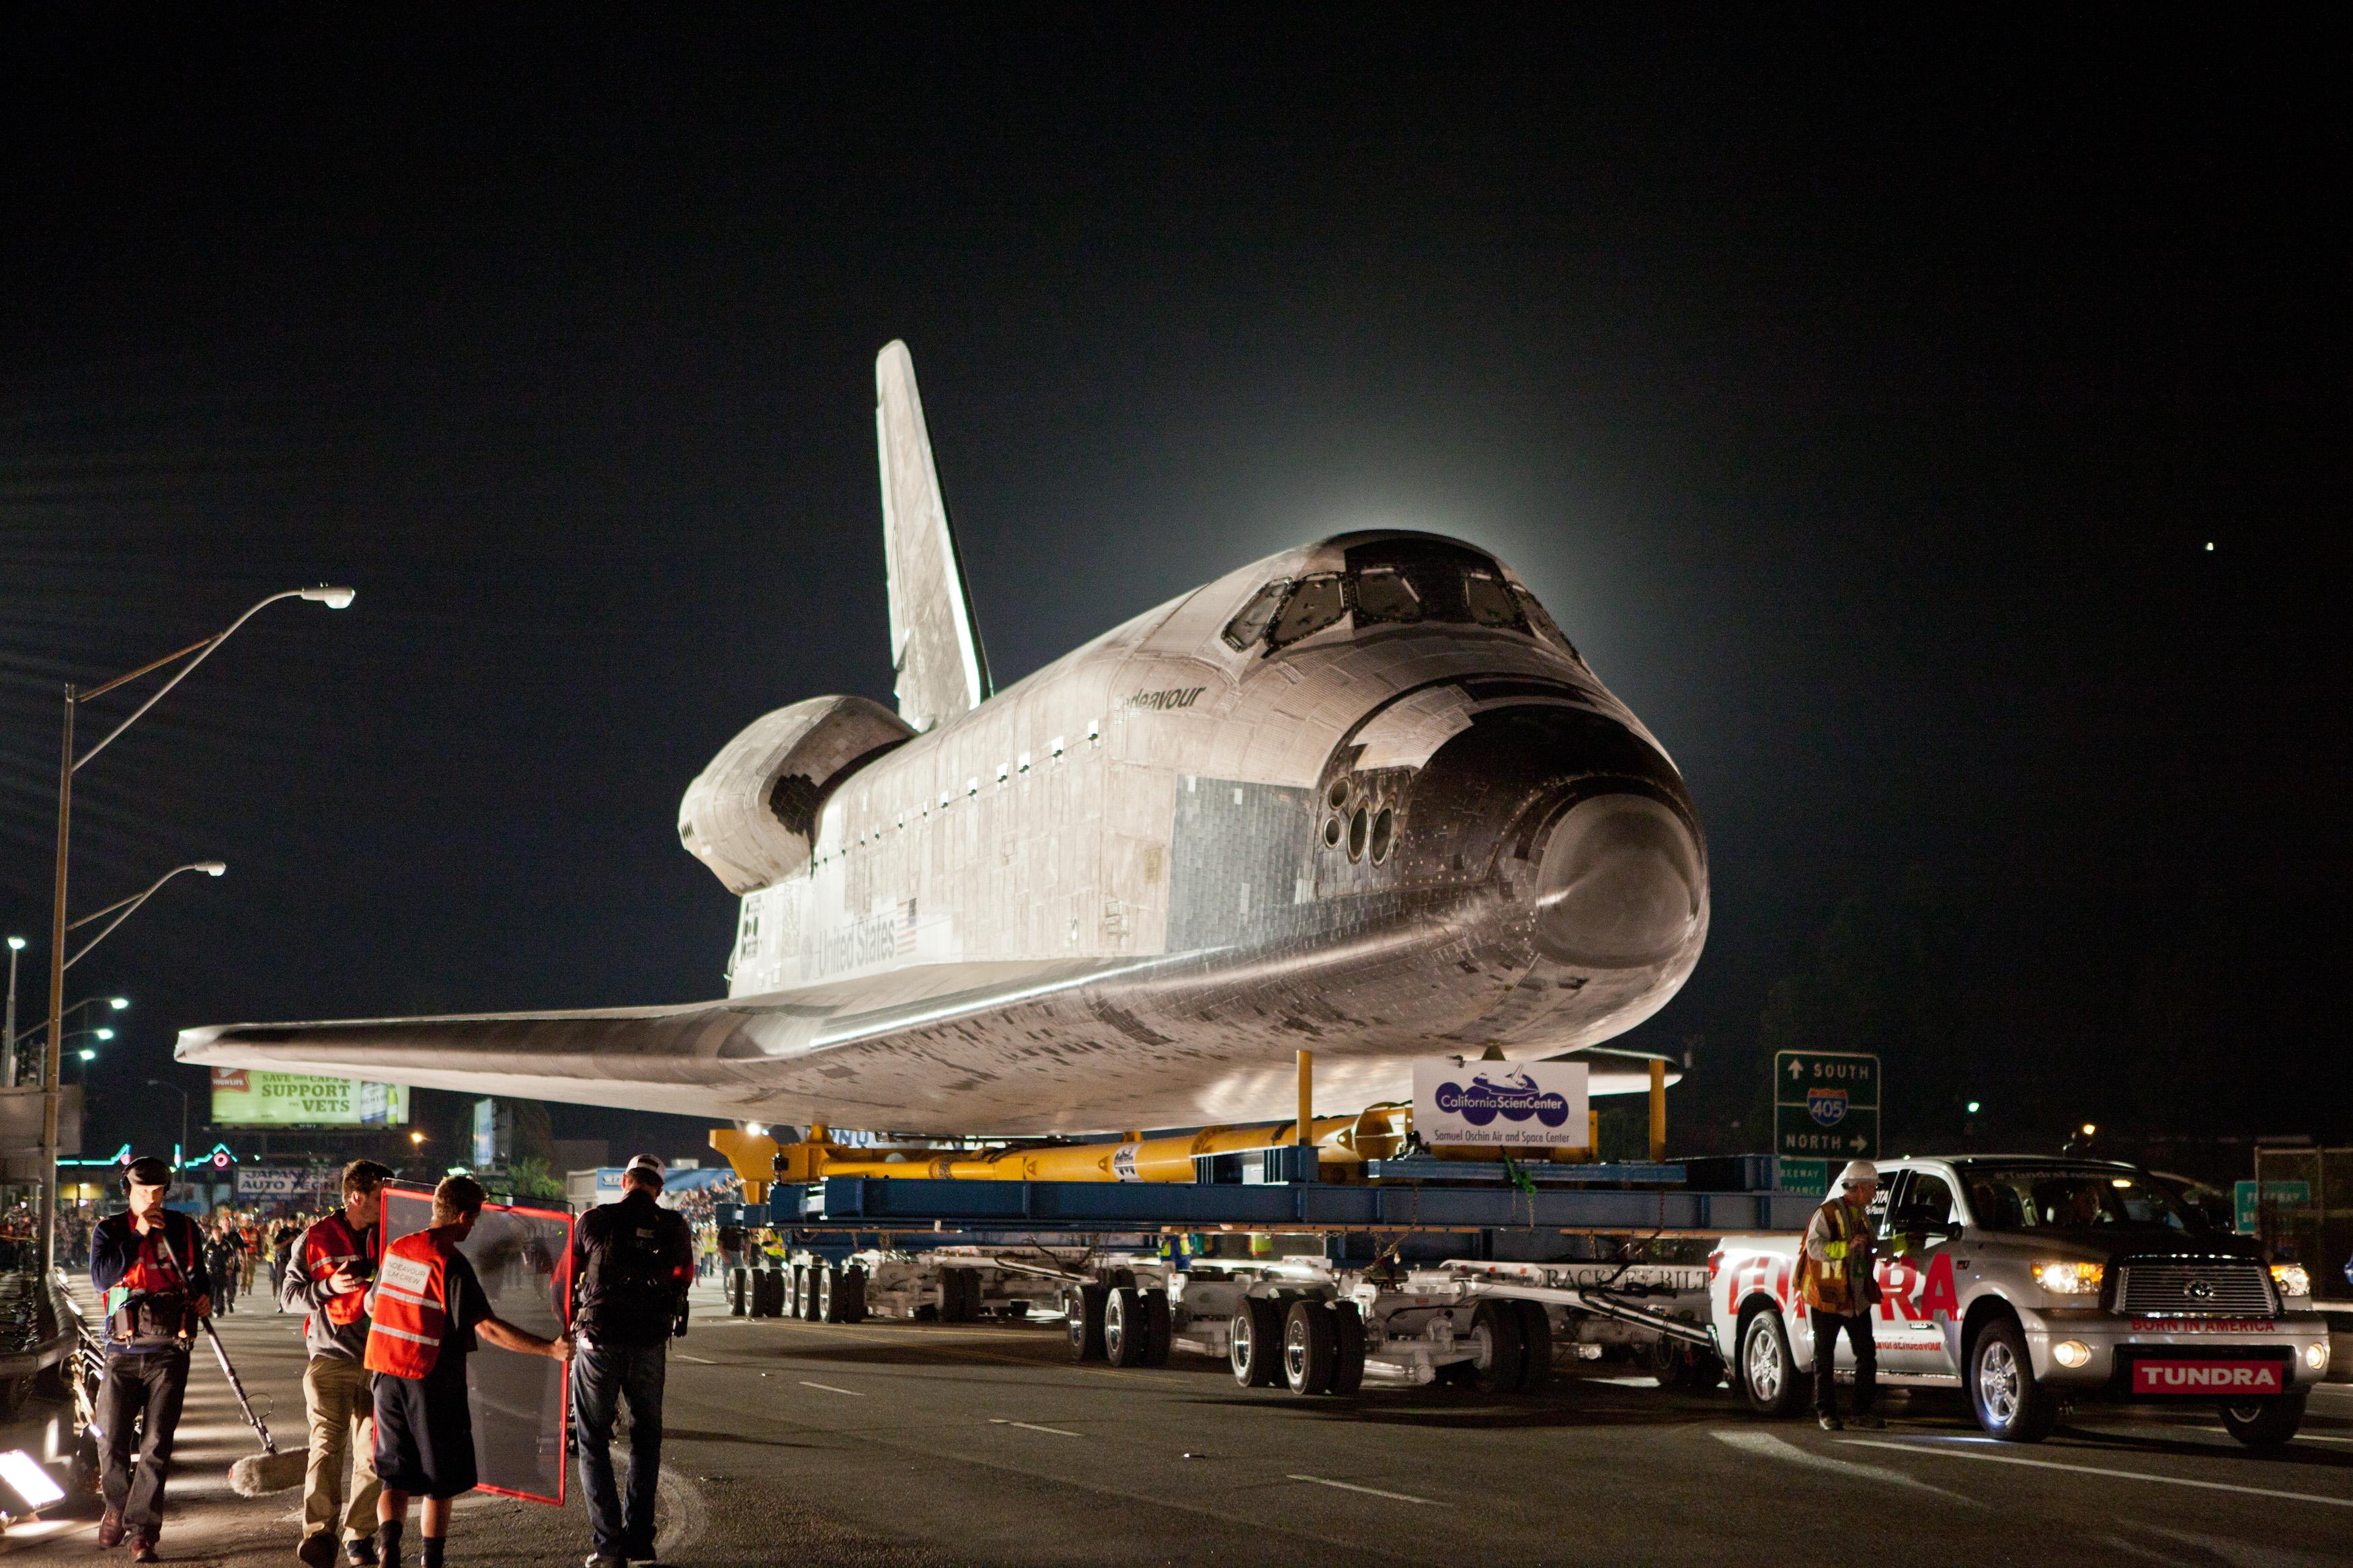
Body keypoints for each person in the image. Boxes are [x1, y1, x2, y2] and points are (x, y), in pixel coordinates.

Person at [366, 1174, 571, 1568]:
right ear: (462, 1216)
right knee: (439, 1479)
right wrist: (548, 1348)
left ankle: (388, 1552)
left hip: (386, 1377)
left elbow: (373, 1306)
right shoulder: (450, 1263)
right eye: (473, 1220)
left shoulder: (397, 1249)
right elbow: (487, 1327)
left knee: (394, 1475)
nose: (473, 1227)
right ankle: (432, 1560)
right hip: (429, 1380)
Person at [569, 1154, 693, 1568]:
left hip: (598, 1341)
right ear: (658, 1188)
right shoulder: (674, 1226)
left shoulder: (593, 1219)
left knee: (592, 1441)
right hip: (648, 1342)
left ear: (625, 1181)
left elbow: (564, 1277)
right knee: (646, 1438)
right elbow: (685, 1276)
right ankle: (640, 1540)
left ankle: (608, 1547)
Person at [89, 1154, 214, 1563]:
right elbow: (102, 1279)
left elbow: (199, 1276)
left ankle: (143, 1533)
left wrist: (203, 1297)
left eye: (159, 1191)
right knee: (111, 1441)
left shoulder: (184, 1228)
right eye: (144, 1191)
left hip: (169, 1349)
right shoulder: (109, 1230)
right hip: (121, 1350)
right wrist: (139, 1235)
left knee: (157, 1443)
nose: (153, 1198)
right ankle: (117, 1507)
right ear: (129, 1191)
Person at [284, 1160, 395, 1568]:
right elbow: (289, 1297)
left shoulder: (394, 1236)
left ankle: (359, 1536)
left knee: (374, 1454)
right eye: (383, 1195)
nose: (389, 1202)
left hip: (381, 1359)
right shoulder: (314, 1238)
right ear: (357, 1196)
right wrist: (328, 1287)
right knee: (327, 1448)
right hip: (331, 1358)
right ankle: (319, 1536)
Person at [1796, 1159, 1919, 1432]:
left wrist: (1904, 1244)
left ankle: (1861, 1413)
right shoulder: (1828, 1213)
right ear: (1860, 1188)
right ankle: (1827, 1413)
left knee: (1867, 1355)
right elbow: (1814, 1248)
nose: (1875, 1192)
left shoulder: (1860, 1215)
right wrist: (1846, 1247)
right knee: (1825, 1358)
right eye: (1873, 1187)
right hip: (1829, 1298)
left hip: (1856, 1299)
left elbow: (1873, 1249)